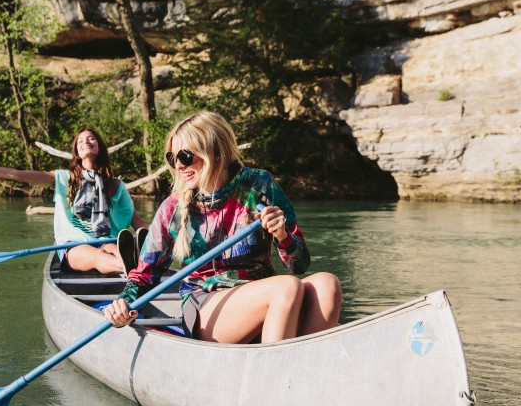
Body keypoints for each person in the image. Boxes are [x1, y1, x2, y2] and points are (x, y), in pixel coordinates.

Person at [103, 111, 342, 343]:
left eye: (185, 156)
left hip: (267, 293)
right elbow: (144, 276)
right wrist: (124, 303)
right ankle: (273, 374)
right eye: (172, 158)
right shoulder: (172, 207)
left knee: (327, 284)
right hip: (206, 302)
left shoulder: (259, 185)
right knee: (285, 287)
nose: (178, 165)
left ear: (215, 152)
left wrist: (283, 235)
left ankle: (298, 370)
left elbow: (300, 265)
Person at [0, 128, 149, 275]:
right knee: (99, 256)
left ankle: (133, 263)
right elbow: (20, 175)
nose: (85, 141)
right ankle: (131, 268)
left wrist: (171, 229)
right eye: (80, 140)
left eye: (91, 138)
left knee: (113, 249)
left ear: (99, 147)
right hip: (75, 247)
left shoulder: (116, 185)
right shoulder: (64, 179)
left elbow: (138, 224)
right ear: (77, 154)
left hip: (107, 241)